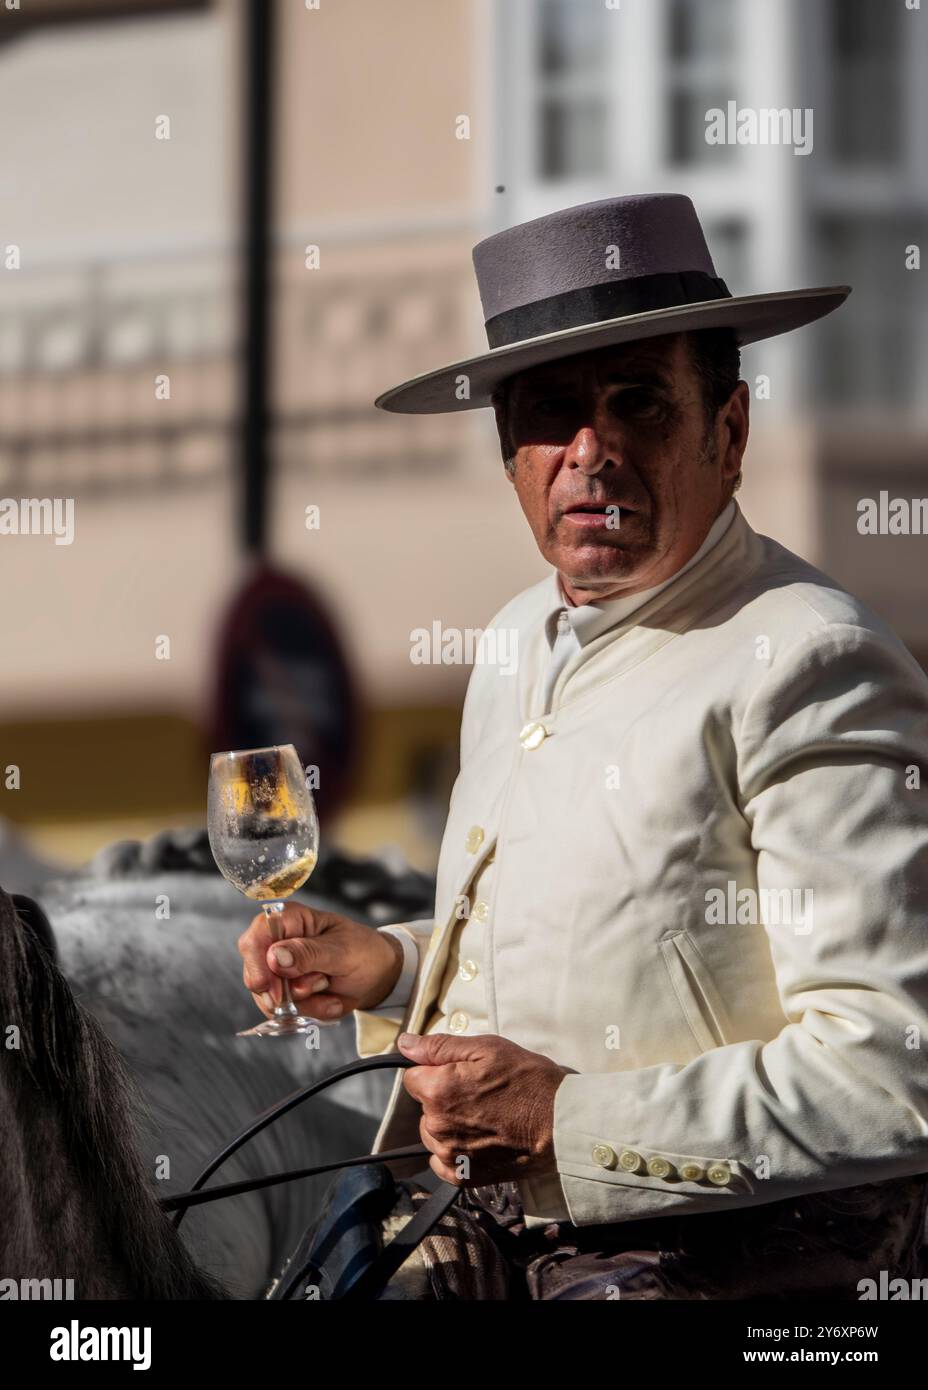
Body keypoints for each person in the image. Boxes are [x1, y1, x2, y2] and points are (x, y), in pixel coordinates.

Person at [238, 194, 928, 1299]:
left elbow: (892, 1072)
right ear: (510, 454)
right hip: (469, 1236)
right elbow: (612, 932)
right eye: (551, 414)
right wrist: (397, 965)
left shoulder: (811, 657)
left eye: (640, 403)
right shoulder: (518, 637)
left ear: (729, 432)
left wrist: (572, 1122)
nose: (589, 452)